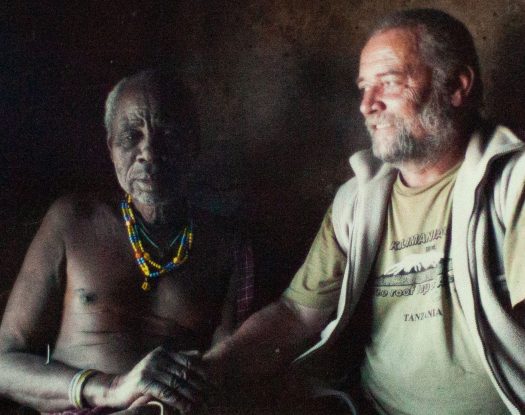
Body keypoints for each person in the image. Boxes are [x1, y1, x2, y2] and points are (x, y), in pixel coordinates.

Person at [204, 9, 525, 414]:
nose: (366, 105)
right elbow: (295, 314)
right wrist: (204, 372)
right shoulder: (357, 201)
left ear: (457, 86)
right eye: (363, 88)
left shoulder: (514, 183)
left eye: (388, 83)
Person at [0, 70, 253, 415]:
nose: (149, 152)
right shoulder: (73, 221)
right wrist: (110, 389)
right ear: (111, 149)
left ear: (193, 144)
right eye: (131, 136)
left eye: (168, 135)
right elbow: (4, 364)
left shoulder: (226, 246)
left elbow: (225, 378)